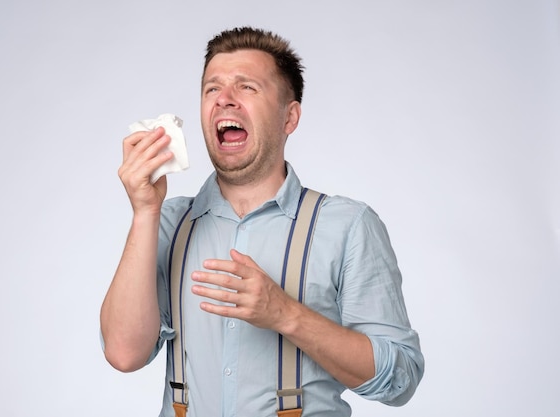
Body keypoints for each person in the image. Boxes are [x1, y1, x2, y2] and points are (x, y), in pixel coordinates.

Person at [100, 26, 424, 417]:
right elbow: (123, 353)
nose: (224, 101)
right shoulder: (167, 221)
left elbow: (400, 379)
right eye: (211, 89)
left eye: (247, 87)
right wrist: (144, 211)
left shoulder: (349, 226)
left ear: (290, 117)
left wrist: (285, 313)